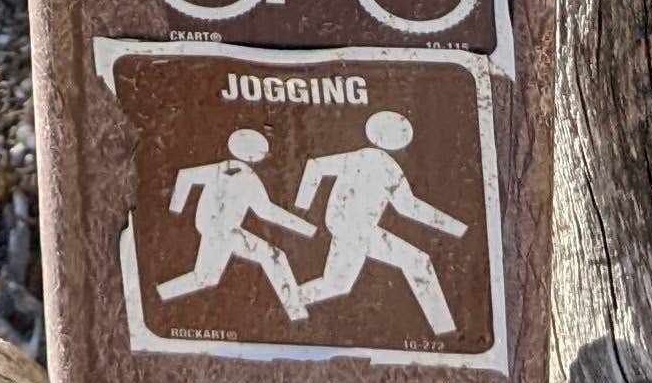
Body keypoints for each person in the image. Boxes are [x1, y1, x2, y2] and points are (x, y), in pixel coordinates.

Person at [294, 109, 465, 335]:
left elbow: (316, 165)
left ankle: (445, 331)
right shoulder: (384, 166)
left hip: (353, 229)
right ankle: (445, 331)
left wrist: (303, 205)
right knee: (413, 262)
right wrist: (455, 227)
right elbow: (409, 208)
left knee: (340, 283)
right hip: (354, 231)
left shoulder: (365, 158)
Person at [155, 127, 313, 320]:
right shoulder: (237, 174)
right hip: (221, 231)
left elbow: (265, 210)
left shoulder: (233, 171)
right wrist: (175, 207)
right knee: (275, 257)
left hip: (221, 230)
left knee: (206, 278)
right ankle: (297, 312)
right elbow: (266, 211)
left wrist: (304, 228)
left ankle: (160, 293)